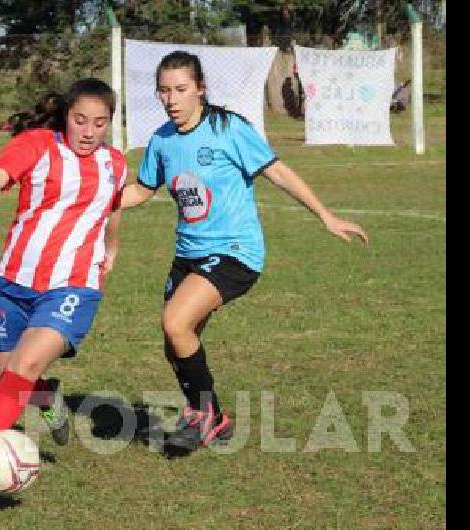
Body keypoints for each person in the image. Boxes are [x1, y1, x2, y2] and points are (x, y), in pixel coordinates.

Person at [120, 51, 369, 455]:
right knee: (177, 341)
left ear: (200, 88)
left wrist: (326, 215)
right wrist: (95, 202)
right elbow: (141, 191)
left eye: (181, 89)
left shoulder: (228, 128)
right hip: (188, 255)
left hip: (236, 252)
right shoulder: (162, 140)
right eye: (164, 91)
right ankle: (215, 418)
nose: (171, 99)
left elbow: (277, 171)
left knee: (174, 322)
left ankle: (201, 417)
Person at [0, 78, 128, 492]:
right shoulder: (38, 145)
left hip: (73, 285)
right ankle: (48, 399)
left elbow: (113, 206)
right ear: (67, 115)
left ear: (108, 125)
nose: (88, 131)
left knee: (23, 367)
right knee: (8, 378)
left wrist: (112, 247)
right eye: (80, 120)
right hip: (13, 281)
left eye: (99, 123)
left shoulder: (115, 164)